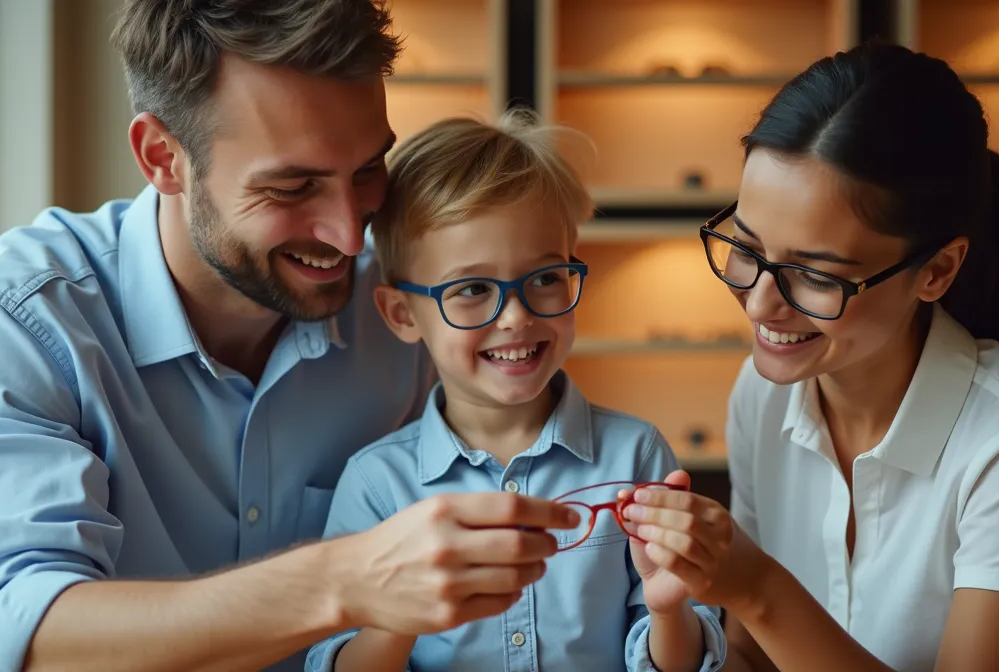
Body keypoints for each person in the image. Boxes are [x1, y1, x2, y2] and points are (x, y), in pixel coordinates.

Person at [0, 2, 583, 671]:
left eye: (368, 170)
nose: (348, 232)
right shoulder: (15, 321)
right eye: (292, 187)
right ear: (162, 156)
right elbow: (29, 645)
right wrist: (346, 578)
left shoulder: (405, 315)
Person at [616, 42, 999, 671]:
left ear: (937, 271)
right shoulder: (764, 393)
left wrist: (757, 589)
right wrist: (673, 611)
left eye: (813, 274)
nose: (759, 305)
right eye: (746, 249)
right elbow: (751, 658)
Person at [303, 113, 727, 672]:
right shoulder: (377, 485)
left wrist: (669, 612)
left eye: (547, 278)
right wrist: (399, 611)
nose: (517, 315)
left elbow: (687, 660)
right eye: (474, 289)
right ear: (403, 314)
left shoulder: (636, 454)